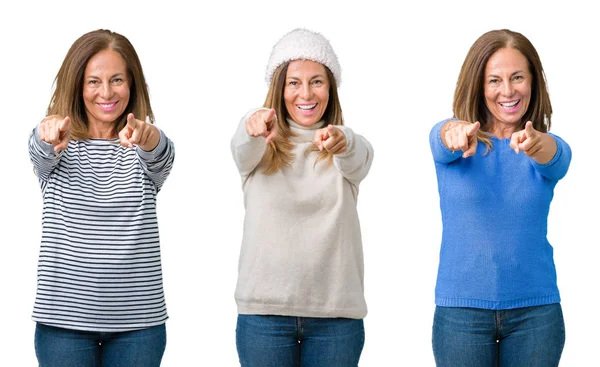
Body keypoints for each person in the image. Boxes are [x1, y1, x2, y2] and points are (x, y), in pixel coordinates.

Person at [28, 29, 175, 366]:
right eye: (94, 81)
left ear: (132, 84)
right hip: (63, 324)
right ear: (77, 86)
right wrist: (47, 133)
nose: (106, 92)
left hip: (138, 327)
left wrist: (147, 134)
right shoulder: (56, 146)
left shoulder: (145, 149)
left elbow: (160, 154)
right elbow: (40, 152)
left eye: (117, 80)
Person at [230, 28, 373, 366]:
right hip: (264, 316)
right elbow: (241, 147)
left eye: (316, 82)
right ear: (279, 89)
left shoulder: (348, 146)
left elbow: (356, 155)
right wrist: (251, 126)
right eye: (294, 82)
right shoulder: (256, 145)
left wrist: (342, 140)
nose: (305, 93)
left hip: (336, 319)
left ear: (331, 88)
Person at [429, 29, 571, 367]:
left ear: (533, 82)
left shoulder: (546, 147)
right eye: (494, 80)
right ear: (478, 85)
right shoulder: (453, 139)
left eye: (517, 77)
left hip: (536, 314)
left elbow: (556, 157)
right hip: (461, 315)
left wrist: (537, 144)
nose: (507, 90)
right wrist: (455, 135)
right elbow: (442, 138)